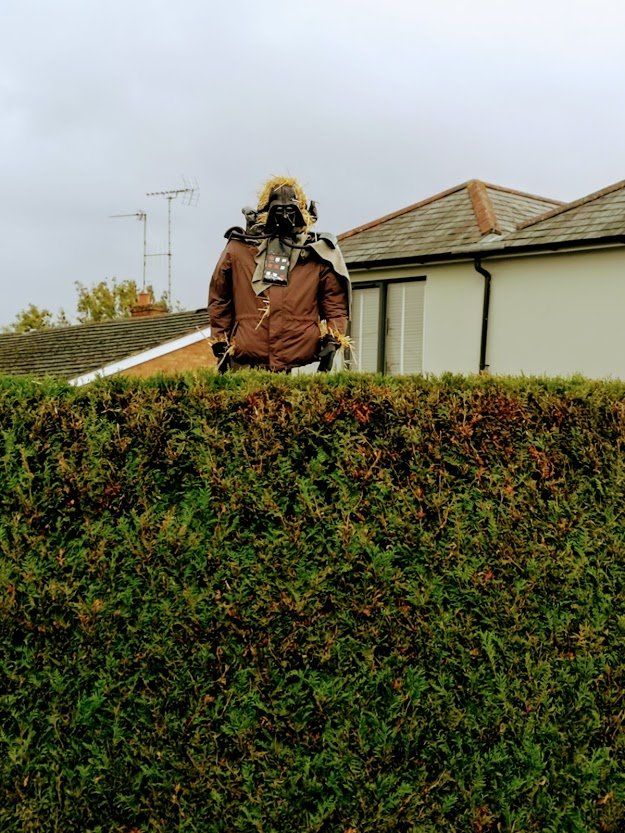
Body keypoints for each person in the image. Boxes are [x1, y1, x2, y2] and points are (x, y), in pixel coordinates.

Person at [208, 176, 350, 373]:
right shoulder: (240, 248)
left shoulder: (318, 251)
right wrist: (220, 340)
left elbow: (335, 303)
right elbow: (220, 298)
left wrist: (333, 341)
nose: (283, 214)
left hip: (302, 358)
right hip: (248, 358)